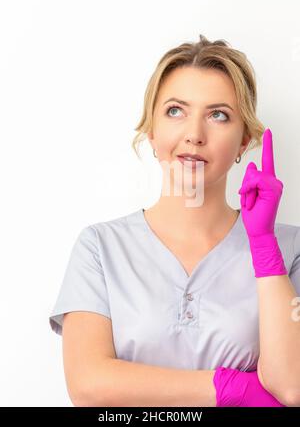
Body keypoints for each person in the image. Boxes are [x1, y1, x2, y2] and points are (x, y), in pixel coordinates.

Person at [49, 34, 300, 407]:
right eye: (175, 111)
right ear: (152, 131)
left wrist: (263, 244)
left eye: (218, 115)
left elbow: (291, 386)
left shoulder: (290, 250)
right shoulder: (100, 248)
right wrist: (227, 387)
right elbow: (88, 384)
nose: (194, 135)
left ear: (245, 139)